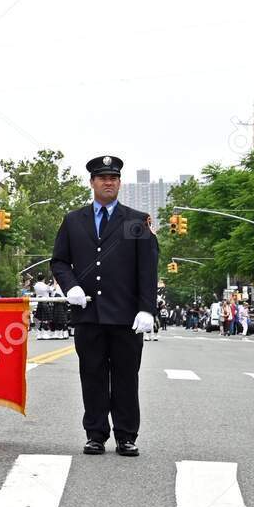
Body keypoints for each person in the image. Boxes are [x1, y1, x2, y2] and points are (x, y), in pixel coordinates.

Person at [50, 155, 158, 457]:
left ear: (119, 183)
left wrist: (147, 308)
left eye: (113, 178)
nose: (108, 182)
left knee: (126, 376)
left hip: (126, 316)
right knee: (92, 375)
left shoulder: (136, 221)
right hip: (89, 315)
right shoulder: (73, 220)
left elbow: (147, 268)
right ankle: (95, 433)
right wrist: (69, 285)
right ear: (92, 182)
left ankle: (126, 435)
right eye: (102, 178)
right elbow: (59, 260)